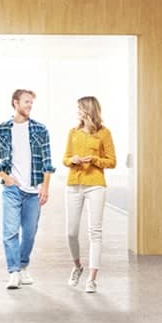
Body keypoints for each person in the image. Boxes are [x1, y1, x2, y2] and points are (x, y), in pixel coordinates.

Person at [0, 88, 59, 289]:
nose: (30, 105)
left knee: (29, 233)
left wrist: (45, 187)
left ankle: (23, 265)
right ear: (15, 103)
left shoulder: (40, 129)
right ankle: (13, 272)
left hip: (33, 191)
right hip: (11, 190)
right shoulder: (2, 129)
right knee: (10, 231)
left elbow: (47, 161)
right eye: (26, 102)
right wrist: (5, 177)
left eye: (31, 102)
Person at [62, 95, 118, 292]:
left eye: (79, 108)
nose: (77, 112)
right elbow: (65, 158)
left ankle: (92, 279)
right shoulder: (73, 132)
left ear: (88, 110)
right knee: (71, 232)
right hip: (74, 185)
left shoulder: (104, 133)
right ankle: (77, 267)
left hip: (95, 185)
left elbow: (112, 161)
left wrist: (94, 159)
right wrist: (73, 160)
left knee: (95, 231)